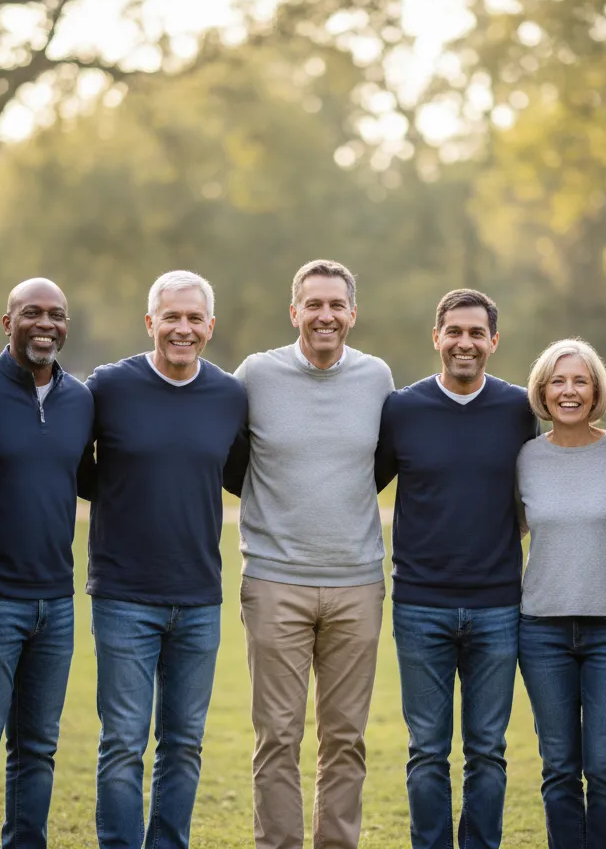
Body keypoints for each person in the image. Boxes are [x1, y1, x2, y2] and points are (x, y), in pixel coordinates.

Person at [225, 259, 394, 849]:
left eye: (336, 305)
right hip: (274, 582)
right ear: (294, 311)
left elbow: (379, 465)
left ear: (352, 313)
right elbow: (230, 461)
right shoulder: (255, 375)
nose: (325, 316)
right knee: (277, 735)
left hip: (357, 584)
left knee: (345, 738)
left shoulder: (377, 378)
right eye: (313, 305)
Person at [85, 270, 247, 849]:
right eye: (171, 318)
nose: (183, 328)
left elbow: (239, 475)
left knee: (184, 743)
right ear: (150, 322)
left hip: (200, 596)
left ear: (209, 326)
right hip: (124, 594)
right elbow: (80, 470)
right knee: (124, 742)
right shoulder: (108, 387)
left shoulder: (230, 395)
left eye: (193, 318)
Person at [374, 288, 537, 849]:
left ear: (493, 341)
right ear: (436, 337)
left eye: (476, 333)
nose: (464, 343)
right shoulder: (401, 409)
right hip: (420, 606)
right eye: (454, 332)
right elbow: (361, 486)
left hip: (498, 605)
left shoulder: (520, 409)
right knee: (427, 751)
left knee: (488, 750)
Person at [0, 278, 94, 848]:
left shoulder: (80, 399)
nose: (45, 324)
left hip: (56, 602)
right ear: (6, 322)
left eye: (56, 314)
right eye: (31, 313)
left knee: (38, 747)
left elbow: (91, 481)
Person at [516, 338, 606, 849]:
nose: (569, 391)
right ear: (542, 391)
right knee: (560, 767)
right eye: (558, 381)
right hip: (542, 631)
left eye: (580, 381)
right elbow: (508, 529)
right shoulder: (524, 458)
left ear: (596, 391)